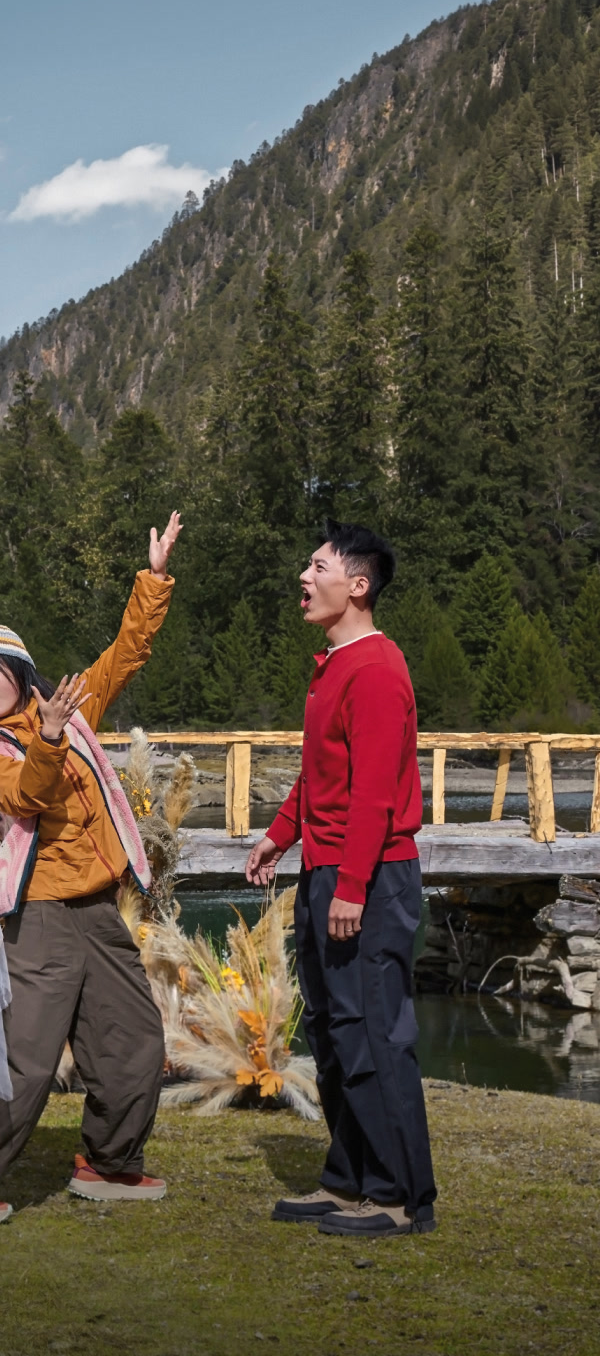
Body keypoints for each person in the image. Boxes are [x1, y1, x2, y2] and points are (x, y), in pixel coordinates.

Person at [0, 511, 182, 1226]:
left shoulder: (69, 707)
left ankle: (111, 1164)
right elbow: (26, 795)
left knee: (133, 1040)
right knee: (24, 1054)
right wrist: (50, 740)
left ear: (18, 669)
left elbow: (125, 654)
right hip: (36, 915)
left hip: (97, 907)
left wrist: (153, 579)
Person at [243, 523, 435, 1238]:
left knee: (373, 1033)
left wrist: (352, 885)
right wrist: (279, 834)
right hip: (327, 870)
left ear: (357, 585)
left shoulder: (377, 668)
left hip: (371, 878)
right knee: (332, 1031)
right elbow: (323, 774)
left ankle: (398, 1196)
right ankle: (349, 1178)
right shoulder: (333, 665)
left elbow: (375, 793)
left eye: (317, 567)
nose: (304, 576)